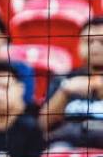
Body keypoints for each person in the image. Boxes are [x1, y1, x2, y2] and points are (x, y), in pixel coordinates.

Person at [42, 17, 103, 149]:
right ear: (79, 46)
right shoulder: (63, 79)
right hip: (68, 147)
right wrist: (64, 92)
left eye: (102, 42)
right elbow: (42, 126)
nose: (95, 47)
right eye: (89, 42)